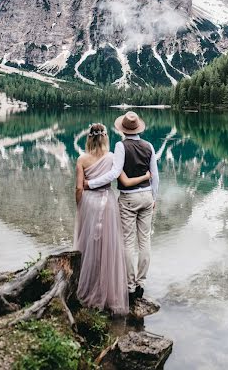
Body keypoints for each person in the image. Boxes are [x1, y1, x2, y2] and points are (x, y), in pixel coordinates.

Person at [74, 122, 150, 315]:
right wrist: (146, 178)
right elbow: (121, 180)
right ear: (105, 137)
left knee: (89, 244)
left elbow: (79, 188)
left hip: (89, 203)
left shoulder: (82, 159)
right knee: (110, 245)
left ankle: (89, 283)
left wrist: (80, 205)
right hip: (108, 202)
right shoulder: (112, 158)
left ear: (89, 138)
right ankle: (112, 290)